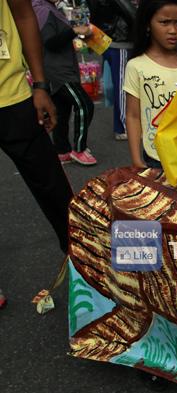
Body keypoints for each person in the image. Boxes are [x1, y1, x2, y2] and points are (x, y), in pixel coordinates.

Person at [1, 0, 75, 304]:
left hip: (12, 95)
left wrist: (41, 84)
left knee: (54, 191)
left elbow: (23, 14)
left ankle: (88, 266)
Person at [123, 0, 177, 169]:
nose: (173, 30)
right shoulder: (136, 66)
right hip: (155, 157)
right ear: (148, 24)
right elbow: (133, 116)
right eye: (164, 22)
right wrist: (136, 160)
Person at [33, 0, 96, 165]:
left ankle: (62, 150)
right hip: (58, 71)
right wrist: (74, 30)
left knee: (62, 109)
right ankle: (79, 149)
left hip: (61, 68)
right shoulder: (41, 9)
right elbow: (50, 43)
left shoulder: (49, 8)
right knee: (84, 104)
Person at [86, 0, 137, 141]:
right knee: (122, 84)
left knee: (119, 82)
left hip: (106, 38)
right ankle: (123, 126)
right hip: (120, 40)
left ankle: (123, 125)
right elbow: (132, 14)